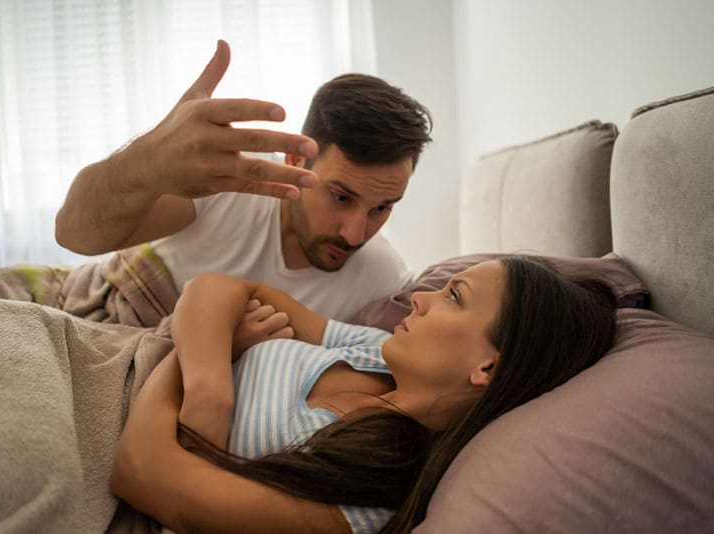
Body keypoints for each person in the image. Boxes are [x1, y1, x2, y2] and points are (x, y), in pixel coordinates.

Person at [110, 255, 619, 532]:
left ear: (487, 366)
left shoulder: (374, 492)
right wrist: (209, 389)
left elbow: (139, 471)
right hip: (111, 359)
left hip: (100, 430)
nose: (420, 298)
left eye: (454, 297)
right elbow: (218, 288)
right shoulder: (377, 351)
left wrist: (211, 350)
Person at [54, 39, 433, 322]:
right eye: (340, 197)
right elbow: (74, 234)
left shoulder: (381, 280)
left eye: (382, 208)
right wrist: (143, 163)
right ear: (295, 159)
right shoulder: (227, 181)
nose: (355, 234)